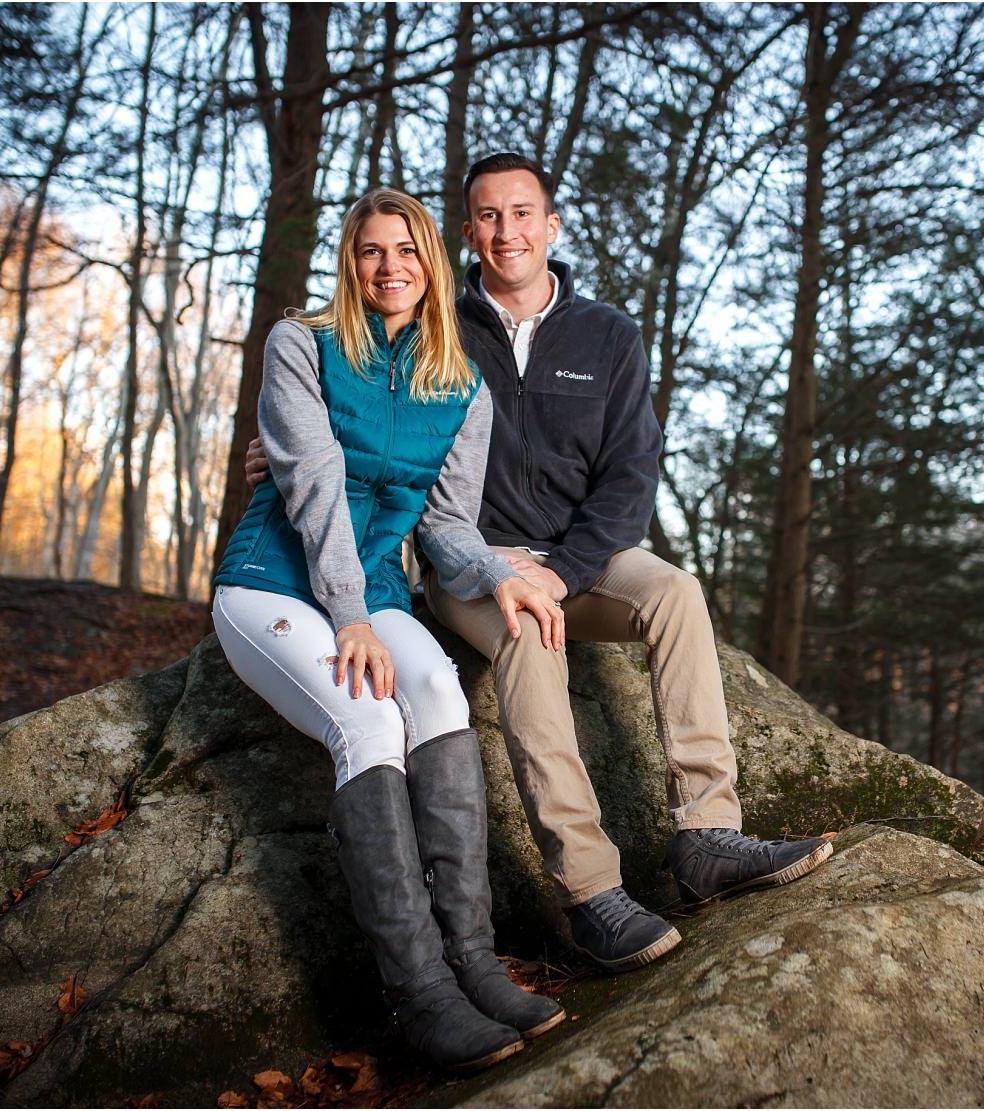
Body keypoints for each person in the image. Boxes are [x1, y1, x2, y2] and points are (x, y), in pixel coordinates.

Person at [248, 154, 832, 973]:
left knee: (674, 593)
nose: (506, 230)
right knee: (526, 632)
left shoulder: (609, 335)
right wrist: (273, 451)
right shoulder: (435, 324)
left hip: (583, 556)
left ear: (550, 227)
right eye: (487, 216)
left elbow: (632, 473)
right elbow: (352, 412)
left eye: (522, 213)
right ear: (466, 233)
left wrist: (565, 569)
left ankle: (705, 834)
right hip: (471, 557)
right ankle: (591, 891)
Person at [212, 189, 564, 1073]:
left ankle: (474, 962)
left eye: (405, 250)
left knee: (438, 691)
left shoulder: (462, 385)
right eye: (370, 251)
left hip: (377, 589)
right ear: (350, 260)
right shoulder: (303, 343)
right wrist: (350, 615)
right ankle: (420, 993)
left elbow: (447, 527)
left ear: (430, 264)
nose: (389, 266)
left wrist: (498, 574)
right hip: (272, 584)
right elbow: (313, 479)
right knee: (368, 721)